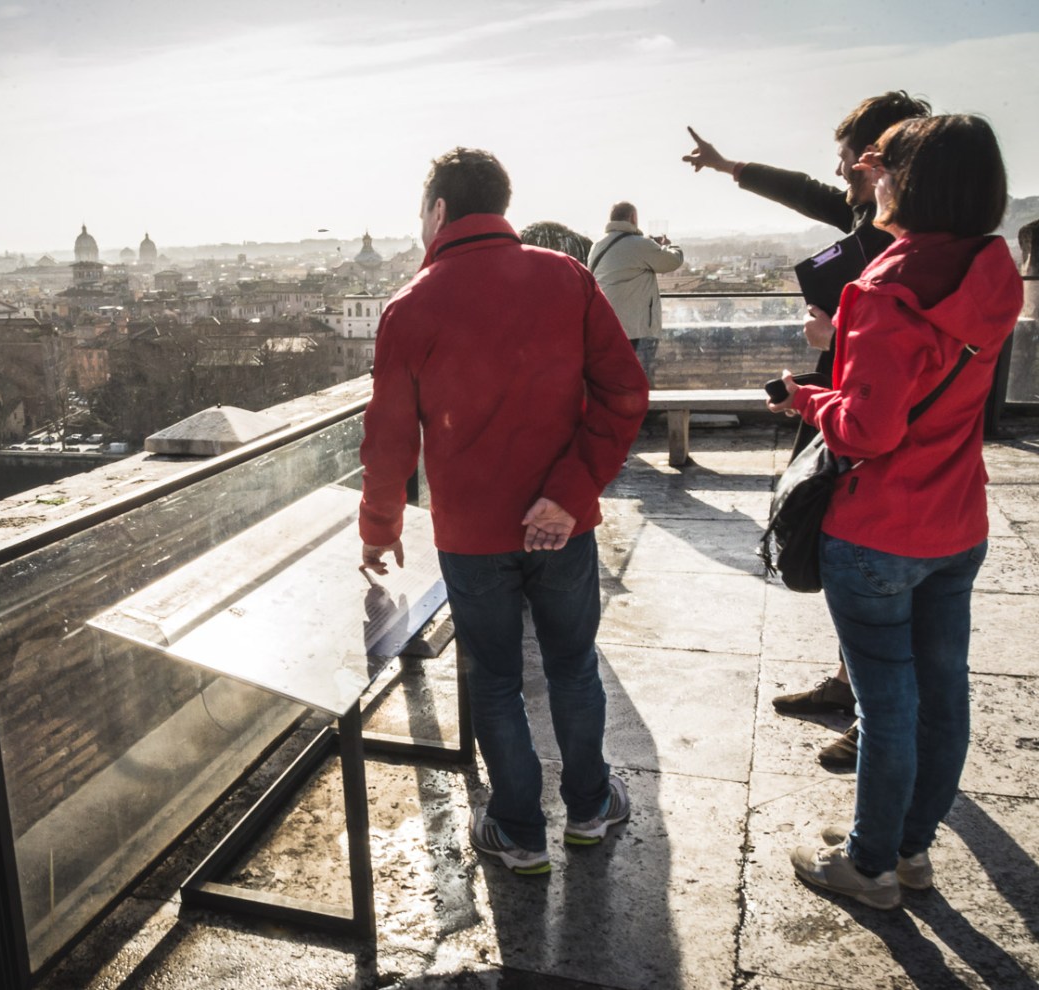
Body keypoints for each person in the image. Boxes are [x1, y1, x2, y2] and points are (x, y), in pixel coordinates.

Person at [358, 147, 649, 876]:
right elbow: (622, 393)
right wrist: (571, 492)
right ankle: (588, 808)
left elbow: (390, 435)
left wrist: (381, 526)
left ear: (438, 212)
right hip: (563, 523)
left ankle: (518, 831)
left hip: (471, 535)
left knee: (494, 678)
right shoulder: (566, 278)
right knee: (573, 666)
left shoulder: (410, 304)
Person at [768, 114, 1022, 908]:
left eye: (883, 170)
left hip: (878, 532)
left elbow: (869, 431)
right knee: (944, 697)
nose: (869, 179)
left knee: (888, 709)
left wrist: (807, 398)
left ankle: (869, 864)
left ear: (905, 181)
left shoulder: (882, 292)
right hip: (958, 522)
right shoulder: (995, 270)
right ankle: (911, 850)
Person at [684, 91, 931, 768]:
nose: (842, 170)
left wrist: (836, 331)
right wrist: (733, 166)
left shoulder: (913, 235)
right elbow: (803, 192)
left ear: (881, 159)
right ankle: (853, 685)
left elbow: (909, 342)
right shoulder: (874, 212)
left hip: (873, 416)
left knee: (873, 562)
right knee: (844, 546)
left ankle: (874, 717)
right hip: (846, 398)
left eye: (850, 159)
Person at [587, 202, 683, 384]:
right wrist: (670, 246)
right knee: (639, 381)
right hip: (636, 328)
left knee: (613, 381)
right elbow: (671, 262)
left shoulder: (597, 246)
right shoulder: (640, 245)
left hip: (606, 325)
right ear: (633, 218)